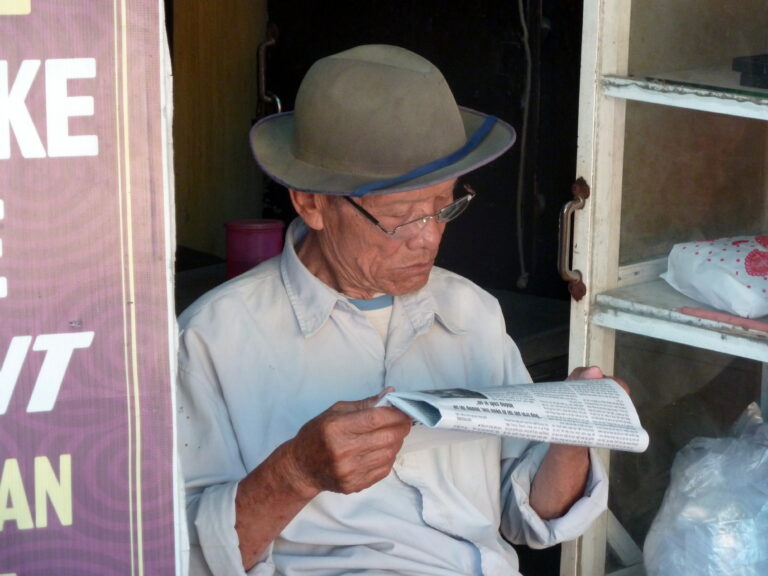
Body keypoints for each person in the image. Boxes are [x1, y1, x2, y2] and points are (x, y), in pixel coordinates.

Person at [178, 44, 615, 576]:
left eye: (444, 206)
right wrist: (294, 473)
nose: (429, 239)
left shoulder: (472, 313)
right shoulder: (213, 339)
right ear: (311, 203)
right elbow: (178, 557)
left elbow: (529, 515)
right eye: (401, 217)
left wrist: (574, 431)